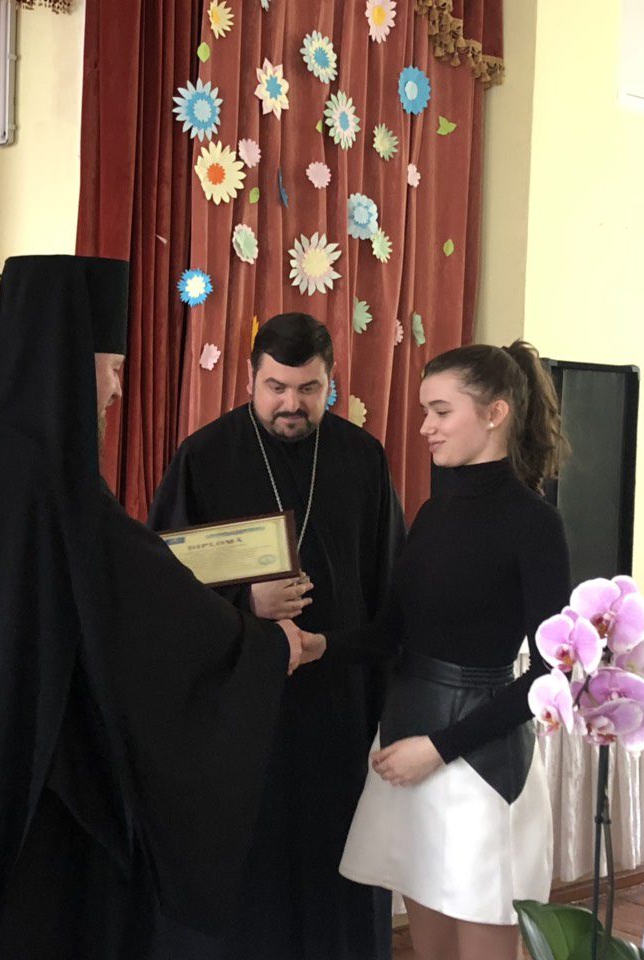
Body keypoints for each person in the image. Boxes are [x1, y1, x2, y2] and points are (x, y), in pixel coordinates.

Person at [0, 255, 324, 960]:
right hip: (22, 782)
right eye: (112, 367)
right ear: (67, 360)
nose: (118, 388)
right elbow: (142, 604)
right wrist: (266, 646)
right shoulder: (43, 480)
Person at [147, 312, 405, 960]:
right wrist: (244, 601)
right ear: (250, 379)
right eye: (276, 387)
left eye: (308, 389)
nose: (291, 404)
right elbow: (159, 592)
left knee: (334, 873)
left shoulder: (362, 458)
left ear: (331, 382)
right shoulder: (204, 457)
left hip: (337, 708)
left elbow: (388, 589)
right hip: (238, 710)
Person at [336, 340, 571, 960]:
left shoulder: (535, 523)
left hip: (480, 765)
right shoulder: (433, 513)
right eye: (424, 411)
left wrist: (438, 749)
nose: (425, 427)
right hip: (405, 748)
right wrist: (314, 645)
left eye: (441, 411)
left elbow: (551, 676)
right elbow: (390, 633)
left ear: (495, 413)